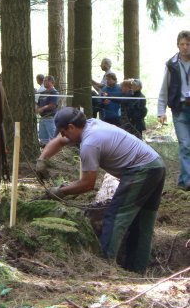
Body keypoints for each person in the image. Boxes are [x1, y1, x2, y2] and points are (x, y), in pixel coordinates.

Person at [36, 107, 166, 273]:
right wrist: (42, 159)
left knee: (115, 216)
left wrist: (60, 191)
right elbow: (59, 141)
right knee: (142, 221)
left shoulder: (90, 143)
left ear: (71, 127)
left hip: (141, 170)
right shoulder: (90, 124)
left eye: (63, 131)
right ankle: (137, 271)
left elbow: (87, 183)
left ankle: (105, 267)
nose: (63, 136)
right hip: (156, 165)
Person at [158, 30, 190, 190]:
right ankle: (188, 181)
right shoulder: (171, 64)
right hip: (180, 109)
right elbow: (164, 88)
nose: (185, 47)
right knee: (185, 144)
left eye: (188, 44)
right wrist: (161, 111)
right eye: (182, 44)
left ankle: (184, 180)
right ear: (178, 45)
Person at [36, 75, 59, 147]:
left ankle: (55, 153)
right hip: (42, 118)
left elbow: (52, 105)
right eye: (44, 80)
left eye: (46, 80)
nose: (44, 82)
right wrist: (37, 108)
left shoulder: (54, 92)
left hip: (50, 117)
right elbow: (38, 104)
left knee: (53, 138)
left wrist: (42, 109)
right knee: (43, 139)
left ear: (51, 82)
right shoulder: (42, 93)